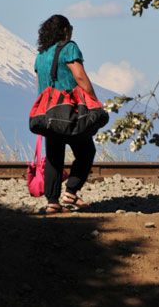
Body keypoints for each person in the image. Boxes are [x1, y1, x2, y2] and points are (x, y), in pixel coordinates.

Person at [34, 15, 98, 214]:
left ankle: (52, 202)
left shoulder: (41, 55)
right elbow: (79, 76)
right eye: (70, 28)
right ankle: (71, 191)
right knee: (86, 151)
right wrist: (93, 100)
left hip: (47, 113)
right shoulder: (69, 48)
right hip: (69, 111)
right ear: (64, 30)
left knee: (54, 156)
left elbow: (41, 84)